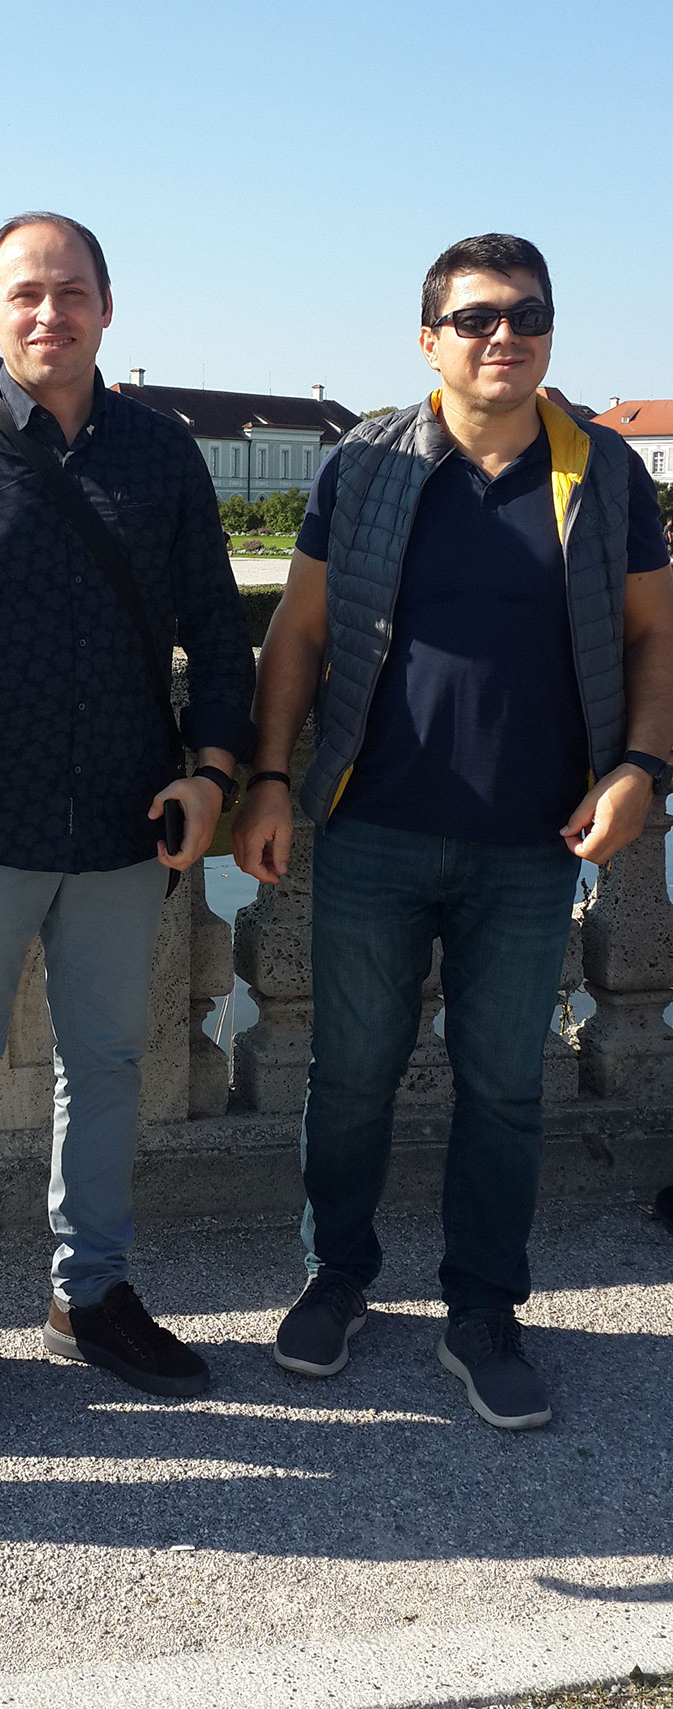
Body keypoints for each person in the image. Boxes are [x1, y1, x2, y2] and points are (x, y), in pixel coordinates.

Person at [232, 233, 673, 1431]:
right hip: (371, 824)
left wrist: (641, 768)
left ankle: (483, 1309)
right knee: (349, 1077)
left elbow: (654, 634)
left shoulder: (602, 471)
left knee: (504, 1088)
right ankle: (337, 1275)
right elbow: (299, 632)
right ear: (429, 341)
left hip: (535, 839)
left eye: (526, 314)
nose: (503, 335)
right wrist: (267, 777)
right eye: (476, 318)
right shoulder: (366, 463)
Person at [0, 211, 254, 1440]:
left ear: (106, 309)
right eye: (25, 293)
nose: (49, 313)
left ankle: (92, 1296)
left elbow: (217, 632)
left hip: (128, 823)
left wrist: (213, 774)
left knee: (108, 1066)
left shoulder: (162, 455)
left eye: (72, 292)